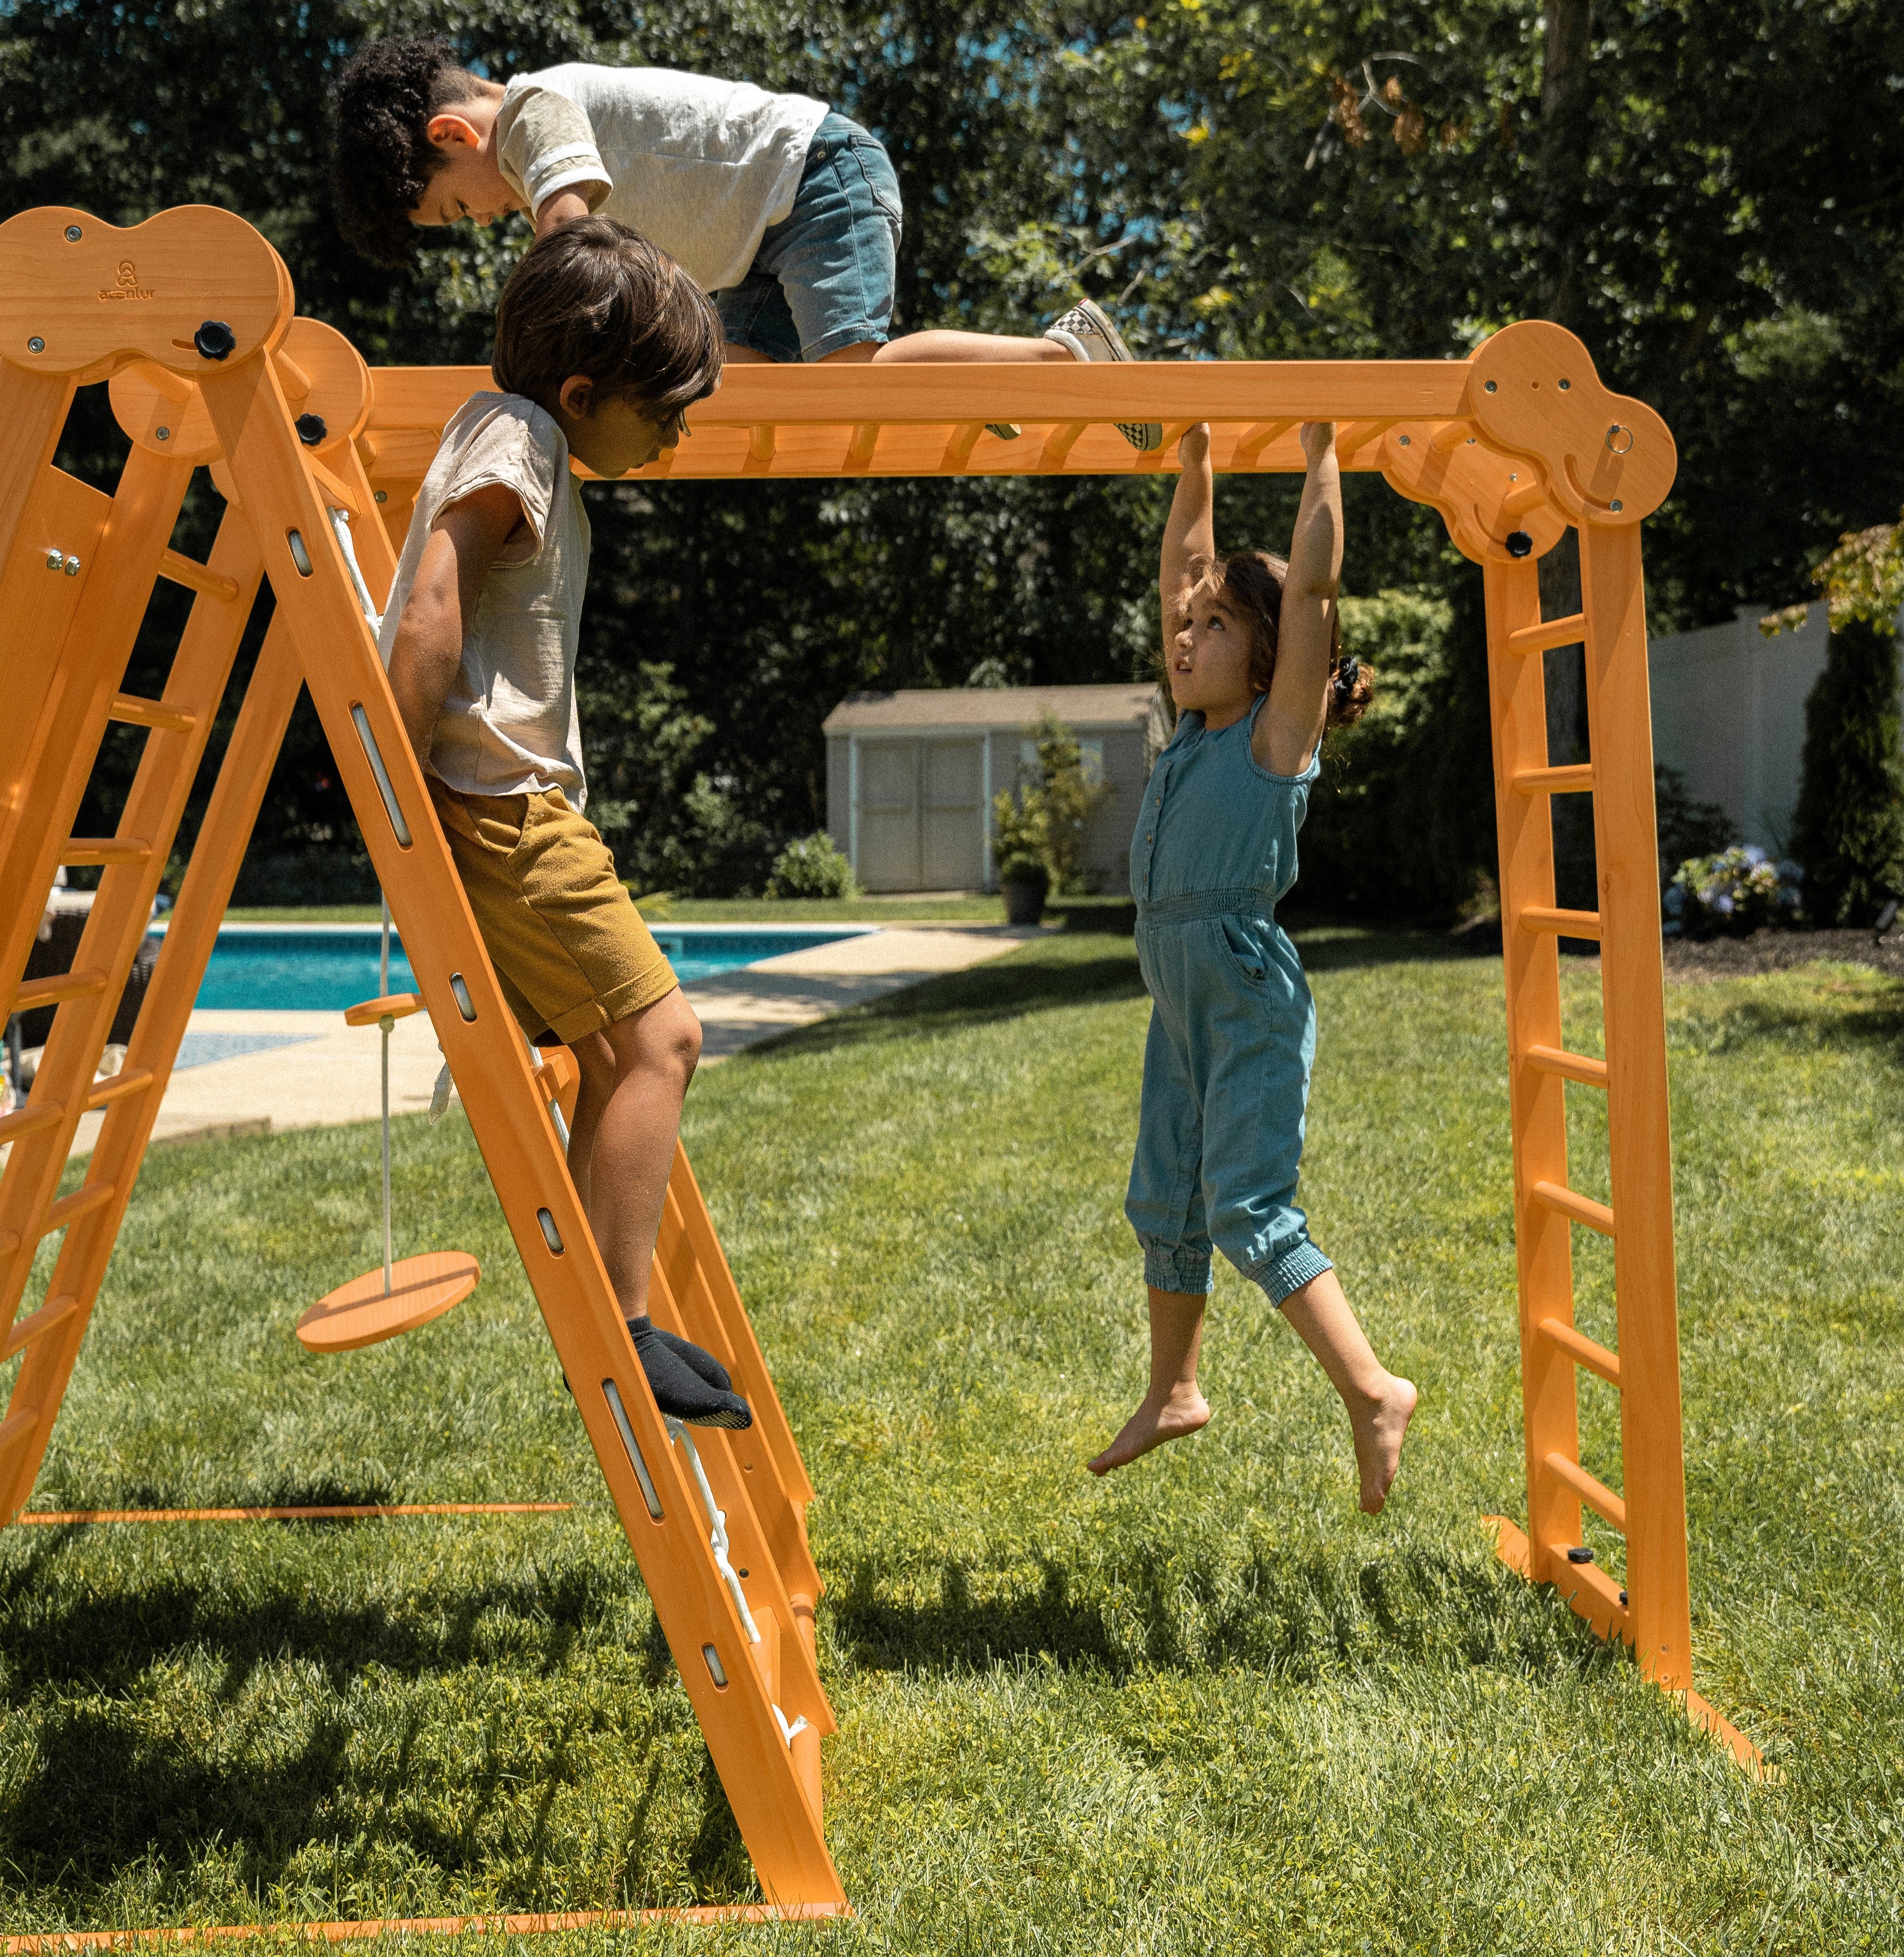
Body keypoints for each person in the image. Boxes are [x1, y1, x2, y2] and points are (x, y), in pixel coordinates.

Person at [379, 212, 748, 1428]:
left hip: (514, 806)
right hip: (500, 810)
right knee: (663, 1041)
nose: (678, 436)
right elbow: (434, 595)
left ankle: (607, 1300)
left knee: (605, 1052)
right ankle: (624, 1324)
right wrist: (400, 791)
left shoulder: (529, 438)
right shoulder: (518, 435)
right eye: (666, 412)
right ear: (584, 392)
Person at [1088, 421, 1418, 1511]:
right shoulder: (1187, 730)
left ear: (1277, 657)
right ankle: (1174, 1388)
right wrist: (1193, 462)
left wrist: (1320, 442)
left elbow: (1315, 587)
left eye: (1215, 625)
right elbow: (1184, 561)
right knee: (1165, 1197)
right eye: (1183, 626)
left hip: (1244, 997)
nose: (1184, 637)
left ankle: (1371, 1389)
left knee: (1246, 1208)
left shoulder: (1273, 737)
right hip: (1180, 1002)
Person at [328, 35, 1161, 449]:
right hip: (754, 245)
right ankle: (975, 383)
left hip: (814, 177)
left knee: (848, 382)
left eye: (456, 214)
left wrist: (539, 373)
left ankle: (1063, 355)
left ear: (452, 134)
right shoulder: (524, 140)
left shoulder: (532, 114)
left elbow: (569, 236)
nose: (478, 223)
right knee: (721, 390)